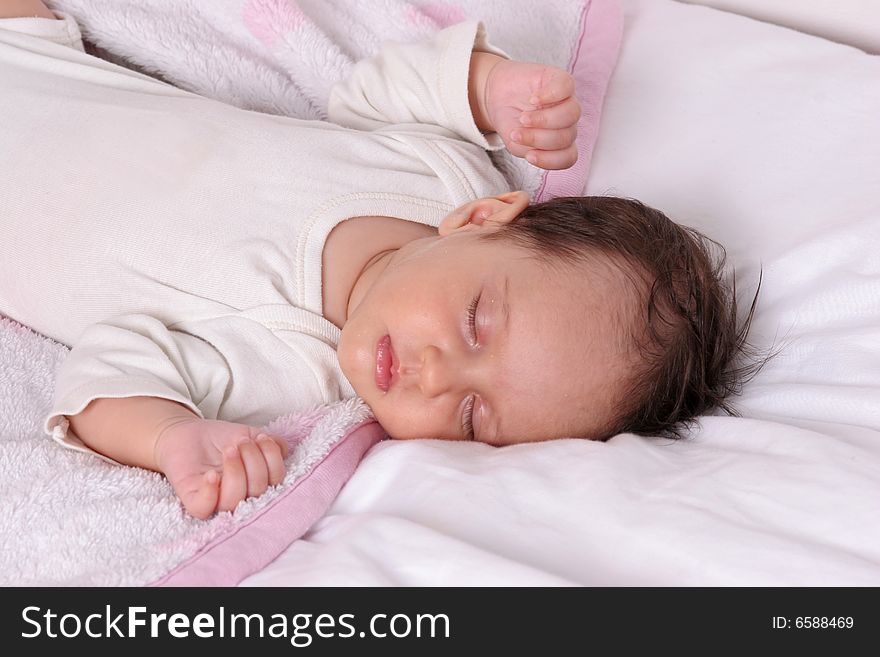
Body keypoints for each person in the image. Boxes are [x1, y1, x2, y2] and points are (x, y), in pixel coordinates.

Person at [0, 1, 758, 519]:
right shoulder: (438, 180)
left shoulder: (288, 372)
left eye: (469, 416)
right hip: (35, 55)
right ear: (484, 220)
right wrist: (492, 87)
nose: (436, 374)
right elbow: (378, 91)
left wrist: (170, 437)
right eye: (475, 321)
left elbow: (111, 366)